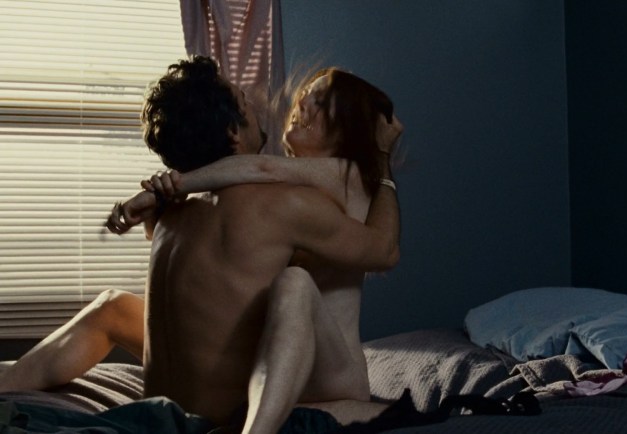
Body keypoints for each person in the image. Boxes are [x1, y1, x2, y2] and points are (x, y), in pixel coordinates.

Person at [0, 56, 403, 434]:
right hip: (223, 403)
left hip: (312, 373)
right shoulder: (282, 203)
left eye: (320, 103)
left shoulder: (176, 213)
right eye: (245, 103)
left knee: (117, 304)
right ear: (232, 131)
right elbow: (258, 174)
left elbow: (263, 171)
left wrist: (171, 187)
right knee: (121, 304)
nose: (296, 106)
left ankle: (8, 381)